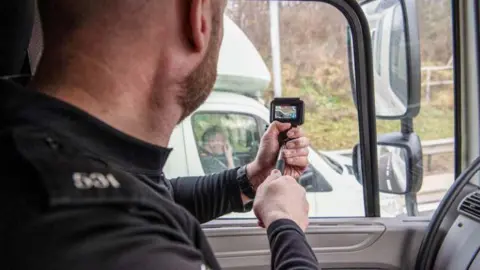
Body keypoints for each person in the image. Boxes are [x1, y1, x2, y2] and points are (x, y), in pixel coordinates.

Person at [0, 0, 319, 269]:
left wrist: (252, 177)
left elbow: (154, 194)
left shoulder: (46, 151)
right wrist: (284, 223)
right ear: (197, 19)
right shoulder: (120, 247)